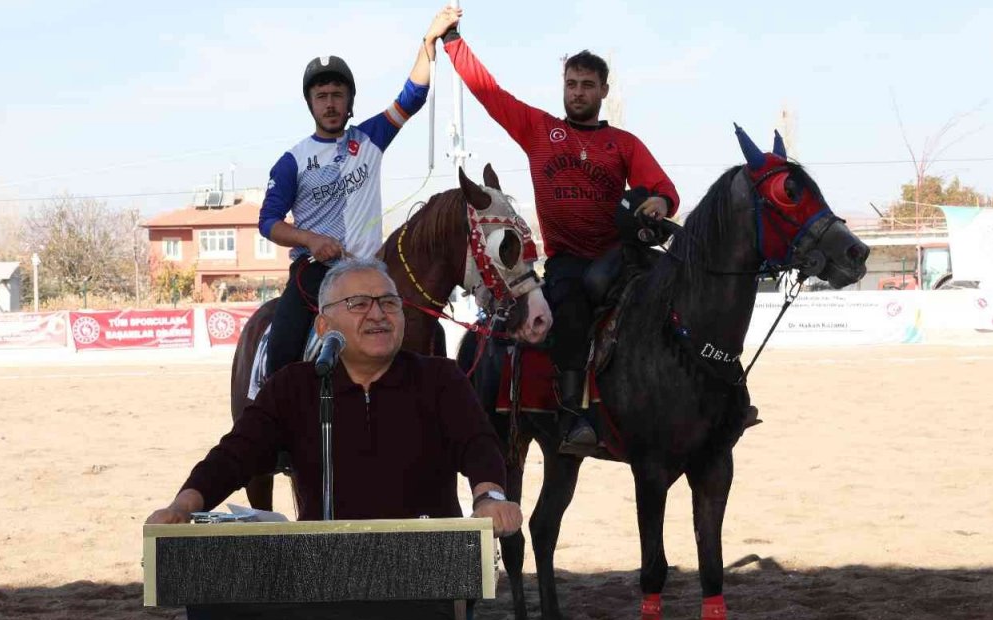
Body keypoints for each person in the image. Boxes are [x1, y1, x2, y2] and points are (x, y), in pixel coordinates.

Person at [430, 11, 682, 456]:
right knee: (570, 306)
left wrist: (658, 203)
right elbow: (490, 94)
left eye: (588, 85)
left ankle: (713, 394)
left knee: (682, 289)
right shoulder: (539, 130)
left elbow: (662, 190)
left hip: (623, 257)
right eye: (572, 84)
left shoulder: (623, 144)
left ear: (604, 91)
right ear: (563, 87)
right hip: (570, 263)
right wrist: (453, 42)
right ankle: (573, 415)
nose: (578, 92)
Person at [147, 258, 523, 537]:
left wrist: (488, 497)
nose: (378, 314)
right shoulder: (292, 386)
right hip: (322, 570)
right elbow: (235, 454)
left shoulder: (440, 378)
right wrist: (184, 505)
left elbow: (478, 444)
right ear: (324, 325)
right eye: (359, 304)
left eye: (389, 303)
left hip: (428, 566)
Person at [257, 6, 464, 381]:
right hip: (315, 275)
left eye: (338, 94)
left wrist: (428, 40)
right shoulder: (293, 160)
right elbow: (268, 222)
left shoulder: (371, 138)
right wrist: (311, 239)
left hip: (373, 269)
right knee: (283, 355)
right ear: (311, 104)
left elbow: (413, 95)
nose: (331, 103)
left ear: (350, 101)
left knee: (428, 337)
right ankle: (278, 426)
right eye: (322, 96)